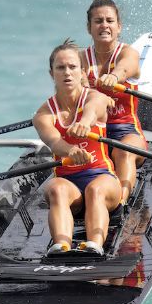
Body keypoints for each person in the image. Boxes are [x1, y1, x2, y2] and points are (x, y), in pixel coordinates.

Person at [33, 39, 122, 256]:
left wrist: (84, 123)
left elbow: (93, 110)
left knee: (95, 190)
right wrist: (70, 151)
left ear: (82, 71)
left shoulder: (96, 97)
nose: (67, 73)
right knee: (55, 188)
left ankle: (95, 246)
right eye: (60, 67)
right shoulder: (43, 114)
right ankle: (61, 247)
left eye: (73, 67)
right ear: (51, 73)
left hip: (103, 178)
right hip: (69, 183)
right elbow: (54, 141)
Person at [81, 0, 148, 204]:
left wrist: (114, 77)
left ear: (119, 27)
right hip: (93, 135)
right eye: (98, 21)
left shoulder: (128, 53)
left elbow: (127, 66)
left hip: (127, 133)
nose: (104, 25)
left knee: (122, 150)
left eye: (110, 21)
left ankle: (120, 202)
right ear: (89, 27)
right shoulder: (80, 59)